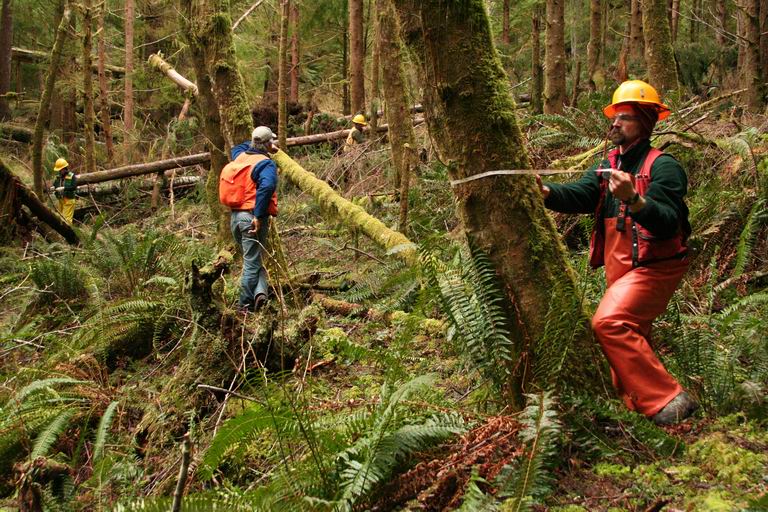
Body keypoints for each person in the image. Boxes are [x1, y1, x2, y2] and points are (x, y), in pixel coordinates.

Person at [538, 80, 698, 425]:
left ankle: (670, 400)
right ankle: (630, 410)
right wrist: (547, 191)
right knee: (631, 333)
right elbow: (582, 195)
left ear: (645, 121)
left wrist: (633, 198)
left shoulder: (663, 166)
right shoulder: (608, 162)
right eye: (614, 116)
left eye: (624, 117)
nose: (615, 123)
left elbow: (669, 223)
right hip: (620, 267)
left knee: (609, 322)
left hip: (656, 267)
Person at [220, 126, 279, 313]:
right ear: (268, 143)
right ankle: (243, 307)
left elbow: (239, 145)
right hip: (252, 218)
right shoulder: (265, 164)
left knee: (253, 260)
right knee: (252, 264)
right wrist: (259, 216)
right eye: (271, 141)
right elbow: (267, 187)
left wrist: (260, 141)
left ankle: (260, 294)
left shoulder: (240, 156)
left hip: (236, 218)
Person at [52, 158, 77, 225]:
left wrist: (64, 188)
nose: (60, 171)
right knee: (60, 217)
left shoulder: (72, 176)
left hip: (69, 200)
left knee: (67, 219)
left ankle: (68, 232)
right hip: (60, 200)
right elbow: (55, 185)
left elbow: (74, 187)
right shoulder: (58, 177)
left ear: (64, 168)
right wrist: (53, 187)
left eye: (60, 170)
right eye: (59, 170)